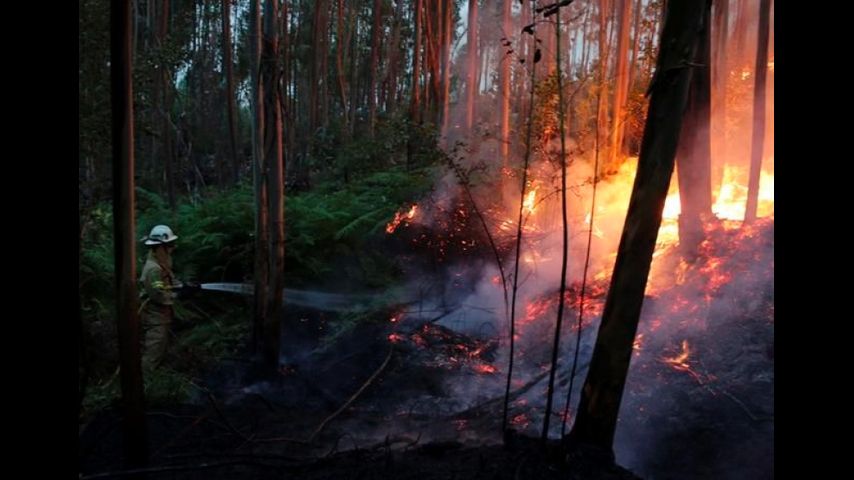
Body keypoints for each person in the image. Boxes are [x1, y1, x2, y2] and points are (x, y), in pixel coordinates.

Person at [138, 225, 196, 369]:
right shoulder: (153, 269)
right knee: (154, 348)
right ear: (159, 247)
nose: (172, 248)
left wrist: (184, 286)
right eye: (169, 245)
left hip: (162, 315)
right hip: (155, 316)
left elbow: (168, 281)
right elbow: (158, 294)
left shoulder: (161, 261)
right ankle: (146, 376)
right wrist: (178, 295)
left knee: (161, 346)